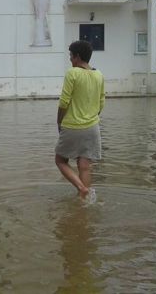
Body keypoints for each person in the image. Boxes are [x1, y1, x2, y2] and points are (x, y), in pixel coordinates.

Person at [55, 40, 104, 200]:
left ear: (77, 56)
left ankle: (81, 188)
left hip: (72, 126)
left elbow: (64, 101)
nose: (70, 59)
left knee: (60, 160)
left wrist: (59, 122)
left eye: (71, 56)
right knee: (84, 166)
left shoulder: (73, 73)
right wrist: (91, 117)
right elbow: (101, 102)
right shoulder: (99, 75)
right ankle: (84, 202)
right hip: (93, 127)